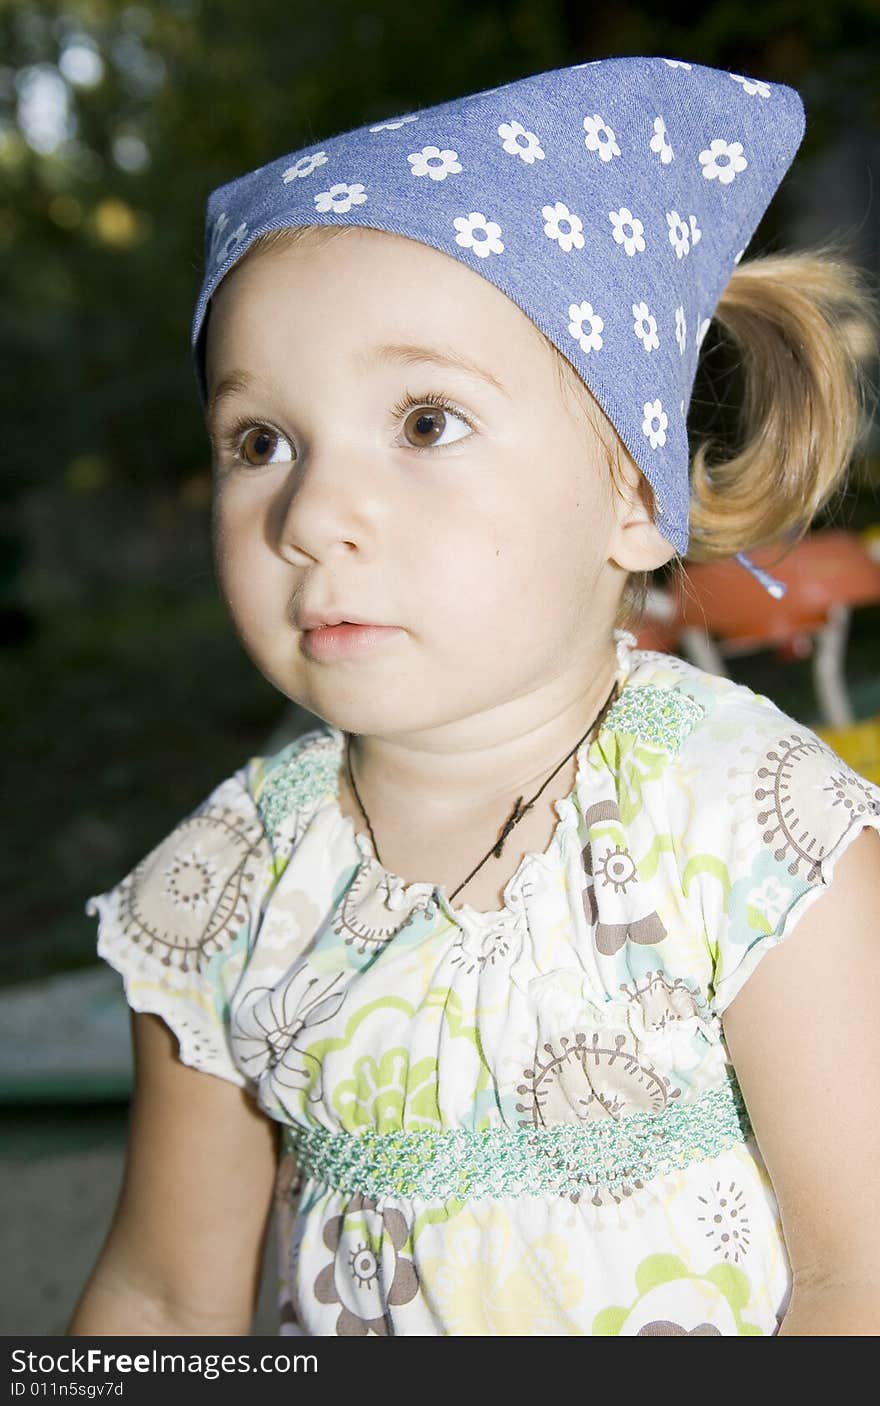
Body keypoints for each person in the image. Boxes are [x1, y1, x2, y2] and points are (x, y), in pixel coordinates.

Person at [70, 55, 880, 1337]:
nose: (312, 512)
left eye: (426, 421)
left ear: (631, 490)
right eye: (260, 441)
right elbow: (165, 1291)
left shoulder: (757, 828)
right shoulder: (225, 883)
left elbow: (859, 1279)